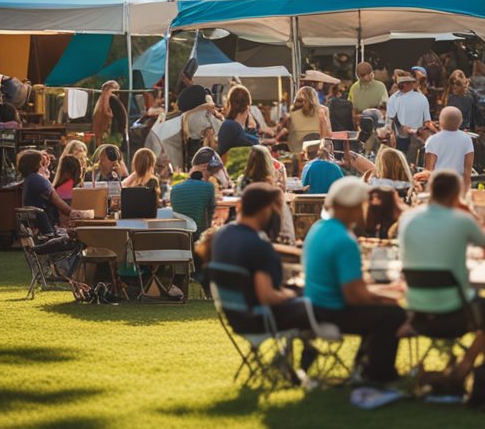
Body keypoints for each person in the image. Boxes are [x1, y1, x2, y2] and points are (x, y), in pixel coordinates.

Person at [399, 170, 485, 382]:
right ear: (456, 194)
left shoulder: (407, 219)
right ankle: (476, 367)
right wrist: (469, 213)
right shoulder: (462, 221)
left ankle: (470, 367)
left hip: (416, 311)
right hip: (457, 311)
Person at [302, 176, 407, 384]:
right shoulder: (344, 240)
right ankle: (377, 375)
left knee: (388, 309)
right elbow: (355, 296)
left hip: (316, 307)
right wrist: (387, 296)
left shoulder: (318, 229)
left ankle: (366, 365)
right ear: (353, 207)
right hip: (333, 310)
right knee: (394, 314)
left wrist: (383, 291)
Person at [212, 183, 316, 375]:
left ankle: (292, 356)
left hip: (235, 315)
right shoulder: (258, 246)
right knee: (318, 304)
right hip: (260, 317)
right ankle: (305, 354)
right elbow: (267, 295)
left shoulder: (222, 236)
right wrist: (290, 294)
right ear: (265, 209)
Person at [17, 148, 71, 234]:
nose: (47, 169)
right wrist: (77, 214)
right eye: (43, 165)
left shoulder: (29, 180)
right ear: (36, 166)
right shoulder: (38, 179)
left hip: (36, 230)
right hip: (46, 234)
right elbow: (62, 206)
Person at [424, 106, 474, 192]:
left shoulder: (433, 140)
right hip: (458, 186)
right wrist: (465, 192)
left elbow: (428, 171)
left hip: (438, 186)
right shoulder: (466, 139)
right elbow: (467, 171)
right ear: (461, 121)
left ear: (440, 121)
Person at [386, 73, 434, 162]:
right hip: (399, 137)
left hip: (415, 136)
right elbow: (389, 124)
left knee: (414, 142)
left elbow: (427, 122)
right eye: (397, 86)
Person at [170, 150, 217, 237]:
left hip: (181, 238)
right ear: (205, 167)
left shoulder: (174, 188)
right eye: (211, 173)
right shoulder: (208, 187)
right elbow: (212, 213)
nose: (211, 176)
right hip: (200, 237)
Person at [285, 85, 332, 157]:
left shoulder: (292, 111)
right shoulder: (323, 110)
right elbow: (328, 133)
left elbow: (288, 130)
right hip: (317, 147)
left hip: (296, 148)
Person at [218, 85, 261, 158]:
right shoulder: (231, 125)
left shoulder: (230, 125)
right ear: (248, 106)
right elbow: (254, 149)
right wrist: (252, 129)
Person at [92, 80, 128, 150]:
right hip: (110, 132)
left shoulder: (105, 99)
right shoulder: (108, 98)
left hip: (110, 132)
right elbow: (106, 113)